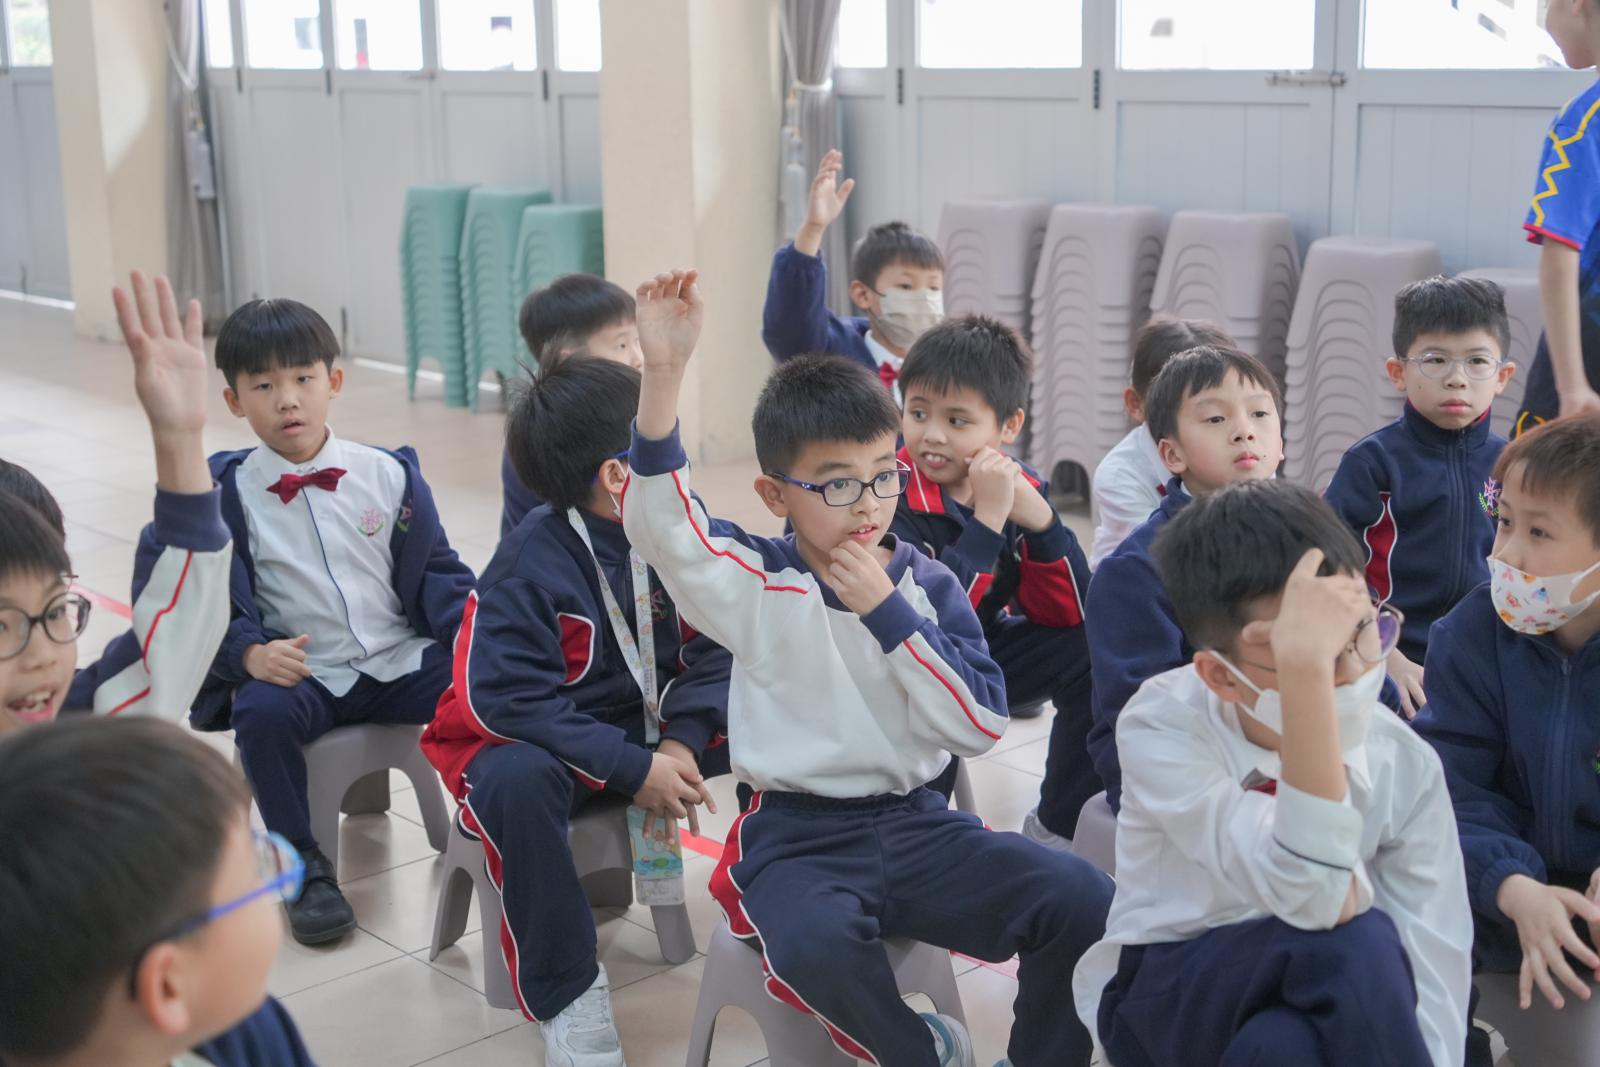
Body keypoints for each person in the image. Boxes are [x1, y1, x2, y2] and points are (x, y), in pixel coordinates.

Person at [624, 268, 1113, 1067]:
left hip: (917, 822)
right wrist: (666, 372)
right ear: (775, 495)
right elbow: (664, 528)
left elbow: (979, 724)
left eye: (885, 474)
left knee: (1082, 898)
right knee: (811, 944)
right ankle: (919, 1050)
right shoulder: (758, 581)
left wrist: (891, 617)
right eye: (838, 483)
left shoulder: (928, 583)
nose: (867, 503)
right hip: (795, 837)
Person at [1073, 480, 1471, 1067]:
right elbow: (1314, 891)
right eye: (1308, 654)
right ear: (1220, 676)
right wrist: (1308, 686)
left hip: (1325, 996)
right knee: (1356, 941)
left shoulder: (1403, 759)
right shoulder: (1162, 722)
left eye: (1362, 632)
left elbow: (1435, 960)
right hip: (1172, 981)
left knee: (1282, 1045)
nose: (1354, 673)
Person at [420, 356, 730, 1067]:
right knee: (517, 782)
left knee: (779, 706)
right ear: (620, 474)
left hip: (642, 725)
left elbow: (722, 643)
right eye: (666, 449)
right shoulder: (528, 565)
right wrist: (632, 767)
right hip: (524, 736)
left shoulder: (682, 530)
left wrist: (681, 743)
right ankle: (567, 990)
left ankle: (793, 900)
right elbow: (506, 702)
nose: (680, 463)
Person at [194, 297, 474, 946]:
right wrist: (249, 654)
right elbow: (207, 601)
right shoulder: (226, 495)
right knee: (259, 714)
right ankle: (303, 867)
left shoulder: (389, 475)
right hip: (305, 672)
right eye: (264, 386)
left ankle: (493, 818)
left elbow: (438, 572)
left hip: (396, 659)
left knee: (484, 681)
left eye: (303, 378)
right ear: (234, 401)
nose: (288, 400)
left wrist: (472, 633)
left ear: (334, 381)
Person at [1416, 413, 1600, 1067]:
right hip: (1500, 913)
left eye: (1539, 531)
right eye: (1505, 522)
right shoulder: (1470, 636)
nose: (1507, 554)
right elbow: (1447, 791)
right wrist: (1513, 886)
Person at [888, 315, 1097, 847]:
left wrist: (1043, 524)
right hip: (901, 669)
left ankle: (1058, 824)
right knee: (923, 715)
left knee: (1092, 648)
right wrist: (986, 524)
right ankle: (918, 837)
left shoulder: (1014, 484)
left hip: (979, 652)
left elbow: (1072, 612)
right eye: (918, 412)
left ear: (1008, 426)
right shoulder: (889, 493)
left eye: (957, 420)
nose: (932, 434)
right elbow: (928, 624)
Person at [0, 715, 316, 1067]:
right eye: (255, 874)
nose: (281, 865)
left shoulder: (252, 1034)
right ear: (168, 985)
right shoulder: (245, 1035)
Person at [0, 271, 231, 733]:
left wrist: (179, 439)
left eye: (55, 612)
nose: (42, 656)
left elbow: (169, 648)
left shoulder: (72, 733)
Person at [1085, 344, 1285, 810]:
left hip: (1282, 733)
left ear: (1281, 443)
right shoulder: (1136, 571)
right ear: (1172, 454)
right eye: (1216, 419)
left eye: (1259, 414)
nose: (1244, 431)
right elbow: (1146, 715)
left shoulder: (1302, 536)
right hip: (1177, 762)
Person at [1324, 275, 1515, 717]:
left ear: (1502, 376)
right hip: (1386, 652)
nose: (1456, 379)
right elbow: (1328, 568)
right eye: (1435, 360)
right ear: (1398, 373)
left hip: (1480, 656)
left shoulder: (1510, 465)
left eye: (1477, 361)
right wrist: (1380, 651)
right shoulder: (1372, 463)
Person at [762, 149, 944, 397]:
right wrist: (813, 229)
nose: (923, 299)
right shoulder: (834, 355)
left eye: (933, 288)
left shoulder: (947, 365)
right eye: (905, 286)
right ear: (862, 294)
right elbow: (791, 328)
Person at [500, 273, 644, 538]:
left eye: (638, 341)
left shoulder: (618, 412)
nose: (638, 358)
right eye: (622, 344)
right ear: (570, 359)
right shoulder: (546, 434)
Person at [1515, 0, 1600, 435]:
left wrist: (1571, 386)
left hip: (1587, 350)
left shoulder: (1584, 124)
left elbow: (1559, 254)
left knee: (1524, 473)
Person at [1089, 316, 1234, 568]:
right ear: (1136, 403)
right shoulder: (1120, 475)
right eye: (1207, 413)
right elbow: (1167, 559)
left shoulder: (1248, 448)